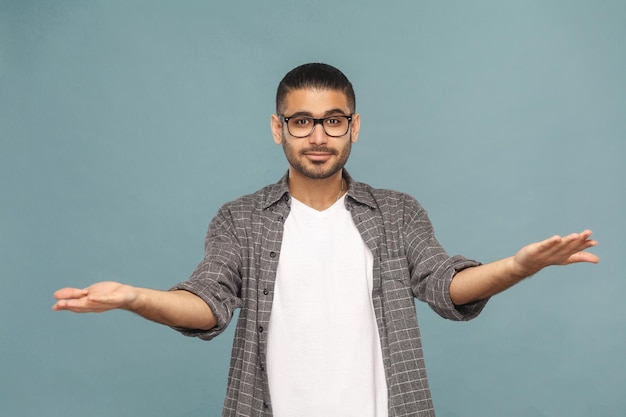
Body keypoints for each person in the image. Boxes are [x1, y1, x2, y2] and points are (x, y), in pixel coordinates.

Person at [53, 63, 599, 417]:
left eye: (334, 120)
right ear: (277, 128)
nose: (318, 136)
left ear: (354, 127)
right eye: (302, 122)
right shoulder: (240, 219)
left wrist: (519, 266)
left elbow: (445, 285)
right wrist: (132, 298)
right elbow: (208, 306)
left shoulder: (396, 212)